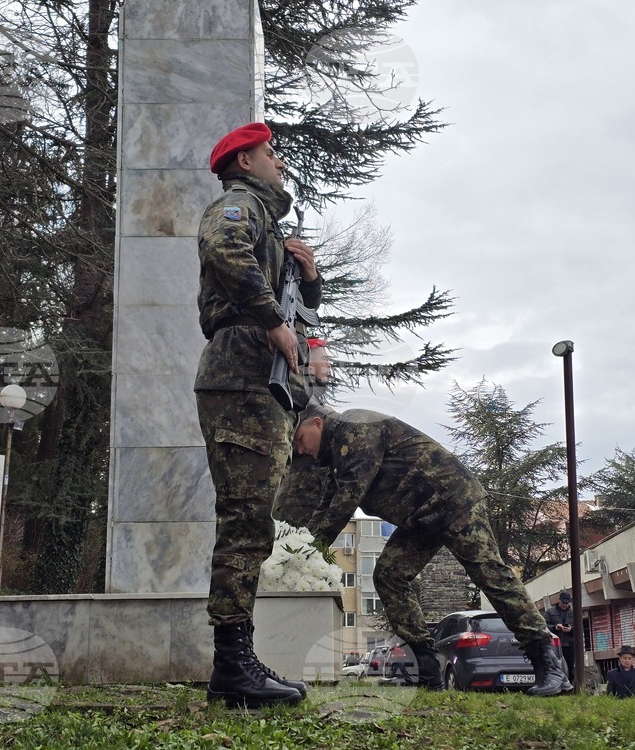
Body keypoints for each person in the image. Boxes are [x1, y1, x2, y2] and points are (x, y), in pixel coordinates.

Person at [291, 405, 571, 696]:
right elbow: (328, 502)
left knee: (491, 575)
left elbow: (348, 496)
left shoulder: (356, 425)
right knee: (390, 575)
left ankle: (548, 665)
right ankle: (427, 670)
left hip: (452, 500)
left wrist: (312, 550)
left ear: (317, 423)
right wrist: (301, 549)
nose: (300, 449)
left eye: (300, 439)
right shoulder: (338, 453)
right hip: (421, 517)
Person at [196, 122, 323, 708]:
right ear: (243, 161)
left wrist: (307, 279)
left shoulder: (267, 222)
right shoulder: (238, 204)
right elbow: (222, 248)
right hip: (241, 372)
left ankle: (236, 662)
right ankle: (233, 666)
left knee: (253, 520)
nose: (277, 160)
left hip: (258, 380)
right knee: (245, 520)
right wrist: (272, 319)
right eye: (268, 152)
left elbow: (299, 314)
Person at [272, 339, 332, 528]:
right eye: (324, 360)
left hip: (308, 494)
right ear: (310, 366)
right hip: (299, 496)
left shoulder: (310, 396)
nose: (329, 367)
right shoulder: (301, 397)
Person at [544, 591, 575, 683]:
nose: (565, 605)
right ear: (559, 600)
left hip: (570, 645)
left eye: (567, 603)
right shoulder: (550, 612)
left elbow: (580, 627)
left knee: (569, 667)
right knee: (555, 666)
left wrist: (571, 629)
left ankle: (569, 685)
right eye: (563, 602)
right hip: (554, 645)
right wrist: (555, 627)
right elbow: (544, 626)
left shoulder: (574, 612)